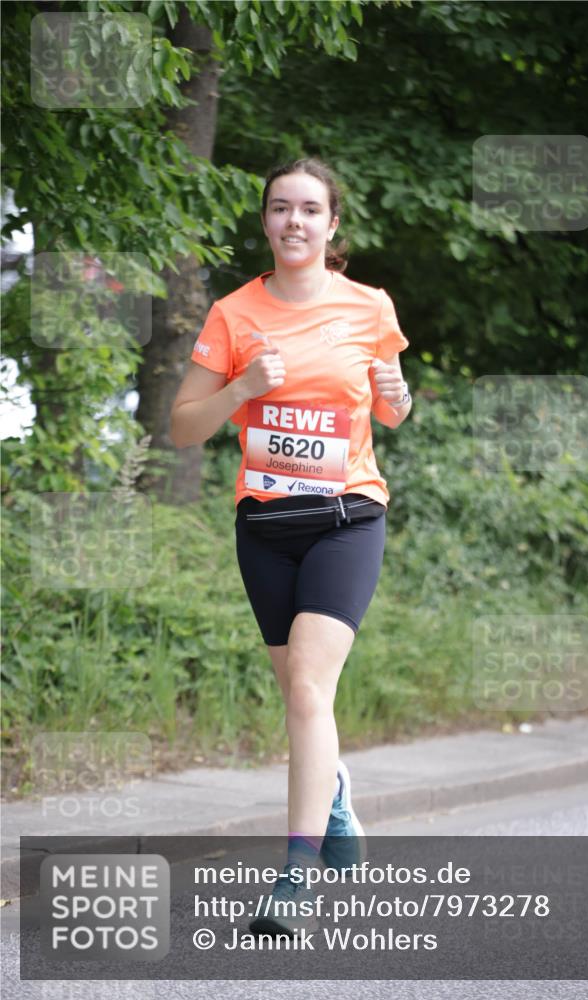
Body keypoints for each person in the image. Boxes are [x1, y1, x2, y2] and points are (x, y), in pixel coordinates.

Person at [170, 157, 411, 935]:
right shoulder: (234, 314)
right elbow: (182, 428)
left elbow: (390, 407)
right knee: (300, 697)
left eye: (310, 209)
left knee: (308, 684)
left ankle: (294, 880)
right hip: (265, 529)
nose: (295, 222)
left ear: (331, 223)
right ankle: (333, 792)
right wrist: (241, 391)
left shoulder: (369, 307)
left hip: (347, 517)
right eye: (281, 209)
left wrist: (397, 397)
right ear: (266, 221)